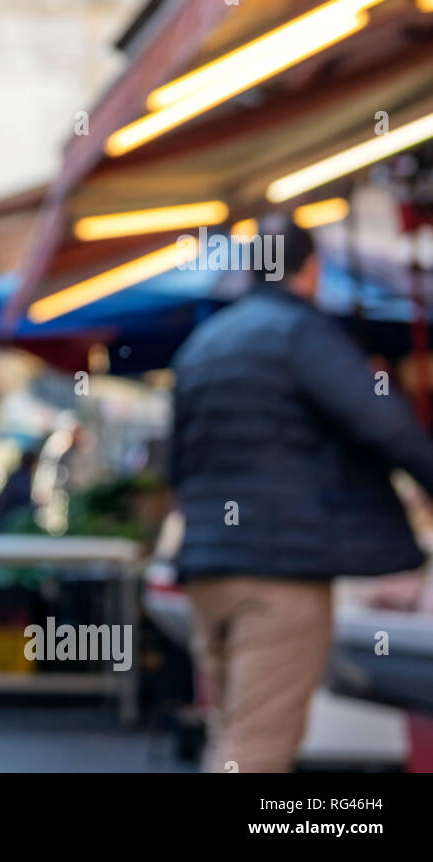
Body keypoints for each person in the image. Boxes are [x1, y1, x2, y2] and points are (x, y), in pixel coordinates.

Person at [170, 219, 433, 772]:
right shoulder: (301, 334)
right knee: (258, 750)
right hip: (279, 572)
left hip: (207, 568)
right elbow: (385, 425)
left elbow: (177, 465)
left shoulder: (203, 344)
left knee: (233, 739)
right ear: (310, 270)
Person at [0, 448, 37, 531]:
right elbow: (22, 500)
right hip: (9, 521)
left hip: (6, 518)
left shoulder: (17, 476)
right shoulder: (23, 478)